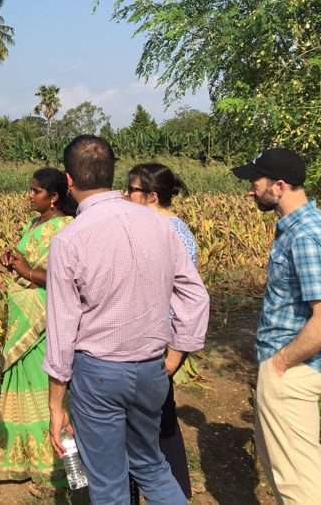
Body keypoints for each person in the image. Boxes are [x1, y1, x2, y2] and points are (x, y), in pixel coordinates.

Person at [44, 135, 210, 505]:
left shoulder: (69, 240)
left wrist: (56, 405)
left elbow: (61, 329)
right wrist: (176, 353)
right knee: (151, 466)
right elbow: (195, 295)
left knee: (108, 483)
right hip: (152, 368)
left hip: (99, 373)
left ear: (69, 182)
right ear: (112, 174)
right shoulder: (160, 226)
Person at [232, 148, 321, 504]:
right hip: (288, 369)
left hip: (291, 372)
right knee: (285, 474)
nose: (250, 190)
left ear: (280, 186)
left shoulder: (305, 235)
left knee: (298, 488)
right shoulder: (314, 222)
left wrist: (280, 363)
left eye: (255, 183)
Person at [0, 168, 76, 489]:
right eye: (30, 189)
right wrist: (15, 264)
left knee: (43, 384)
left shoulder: (65, 227)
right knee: (19, 382)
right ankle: (20, 457)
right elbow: (29, 265)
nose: (29, 195)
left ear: (53, 197)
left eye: (36, 191)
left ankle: (50, 460)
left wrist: (24, 270)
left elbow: (62, 278)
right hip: (22, 315)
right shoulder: (33, 223)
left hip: (43, 318)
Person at [125, 163, 199, 501]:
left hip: (162, 344)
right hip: (153, 342)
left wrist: (173, 354)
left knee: (159, 424)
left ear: (152, 196)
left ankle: (172, 491)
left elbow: (184, 296)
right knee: (153, 422)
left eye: (132, 190)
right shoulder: (154, 226)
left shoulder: (171, 231)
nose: (126, 196)